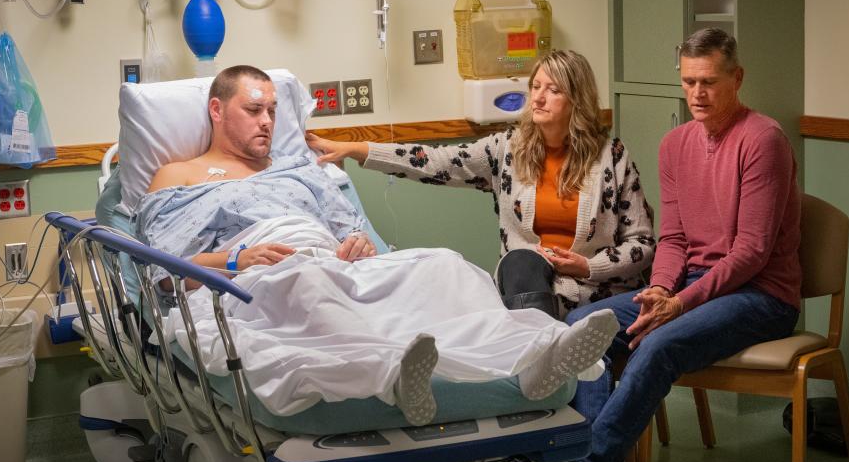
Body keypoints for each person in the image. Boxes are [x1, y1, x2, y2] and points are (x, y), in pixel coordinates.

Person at [136, 65, 621, 427]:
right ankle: (394, 378)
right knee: (310, 285)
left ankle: (534, 361)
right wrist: (237, 258)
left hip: (332, 261)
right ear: (217, 110)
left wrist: (357, 243)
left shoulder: (300, 170)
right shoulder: (179, 176)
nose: (266, 122)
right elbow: (165, 269)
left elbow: (354, 229)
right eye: (253, 110)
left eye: (272, 112)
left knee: (442, 266)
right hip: (256, 271)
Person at [511, 28, 803, 462]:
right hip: (690, 287)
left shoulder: (763, 141)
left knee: (658, 344)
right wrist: (661, 289)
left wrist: (679, 305)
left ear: (737, 78)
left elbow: (751, 253)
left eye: (709, 82)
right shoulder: (675, 144)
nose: (697, 95)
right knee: (587, 324)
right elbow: (675, 240)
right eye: (689, 82)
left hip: (760, 296)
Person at [308, 49, 656, 319]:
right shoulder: (508, 150)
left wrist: (587, 266)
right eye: (535, 87)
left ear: (576, 100)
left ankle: (547, 362)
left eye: (553, 90)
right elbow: (433, 161)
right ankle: (546, 351)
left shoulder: (611, 158)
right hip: (531, 287)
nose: (537, 98)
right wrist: (358, 149)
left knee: (569, 332)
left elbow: (642, 242)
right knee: (521, 261)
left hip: (598, 290)